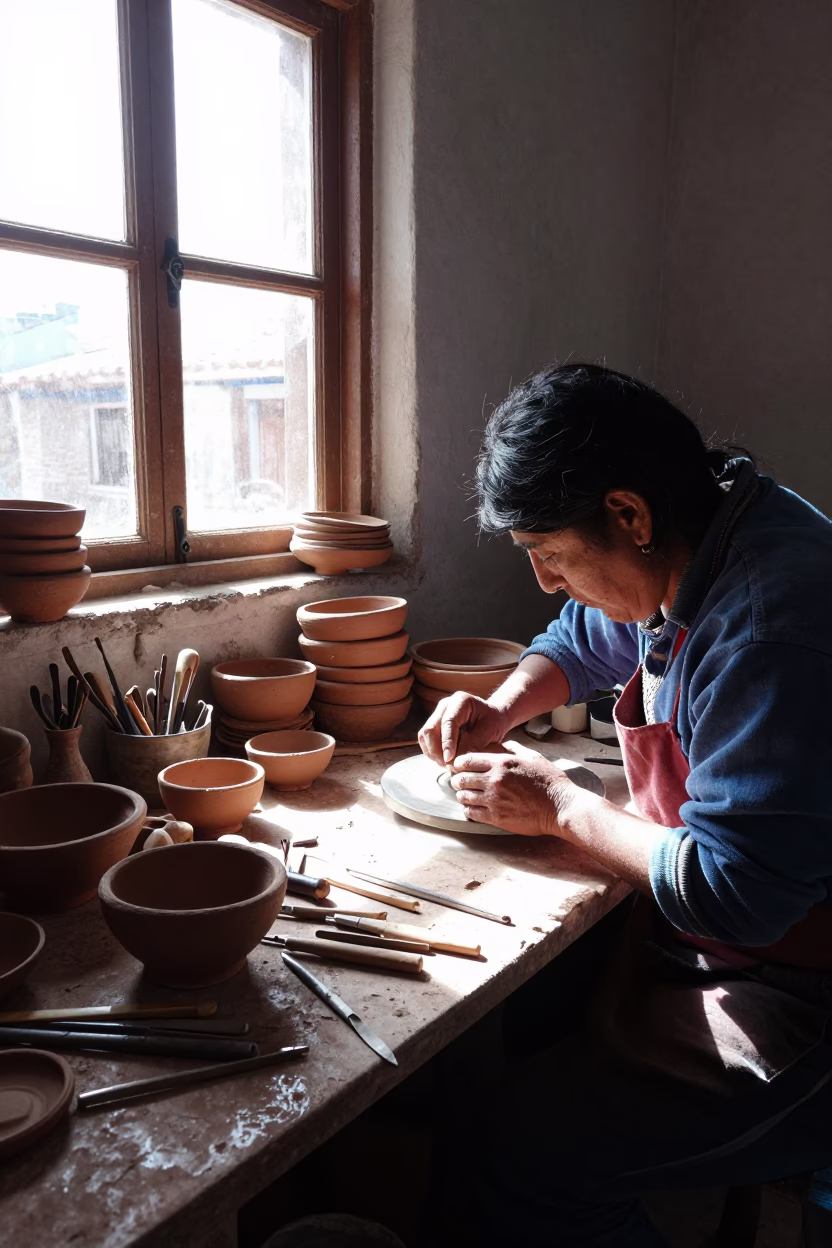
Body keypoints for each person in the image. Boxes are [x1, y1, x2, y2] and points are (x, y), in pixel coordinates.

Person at [419, 363, 832, 1247]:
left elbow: (742, 893)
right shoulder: (699, 530)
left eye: (551, 555)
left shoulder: (769, 623)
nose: (542, 580)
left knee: (529, 1158)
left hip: (809, 990)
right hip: (740, 947)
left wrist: (562, 806)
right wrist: (503, 702)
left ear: (628, 515)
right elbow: (585, 634)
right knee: (514, 1032)